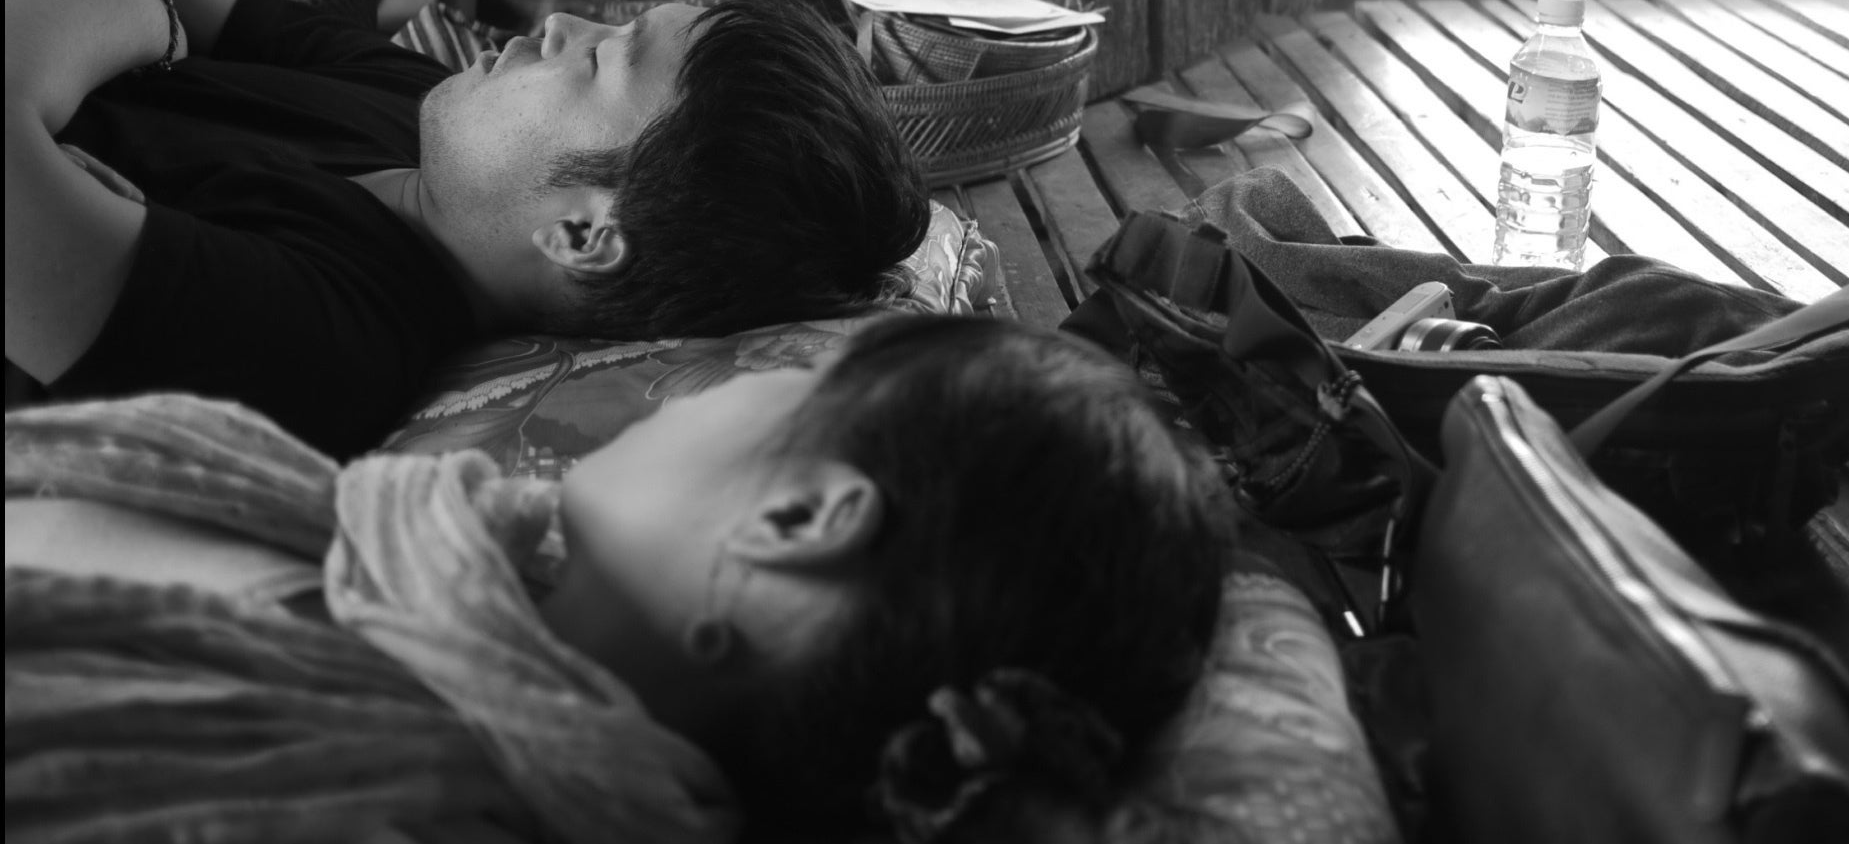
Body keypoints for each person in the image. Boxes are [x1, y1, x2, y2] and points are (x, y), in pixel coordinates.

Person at [4, 316, 1232, 842]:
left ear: (797, 516)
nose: (726, 374)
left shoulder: (342, 778)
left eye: (800, 375)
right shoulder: (394, 562)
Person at [3, 0, 931, 456]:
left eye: (600, 60)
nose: (561, 24)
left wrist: (135, 4)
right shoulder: (429, 111)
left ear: (582, 235)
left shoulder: (327, 338)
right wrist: (124, 2)